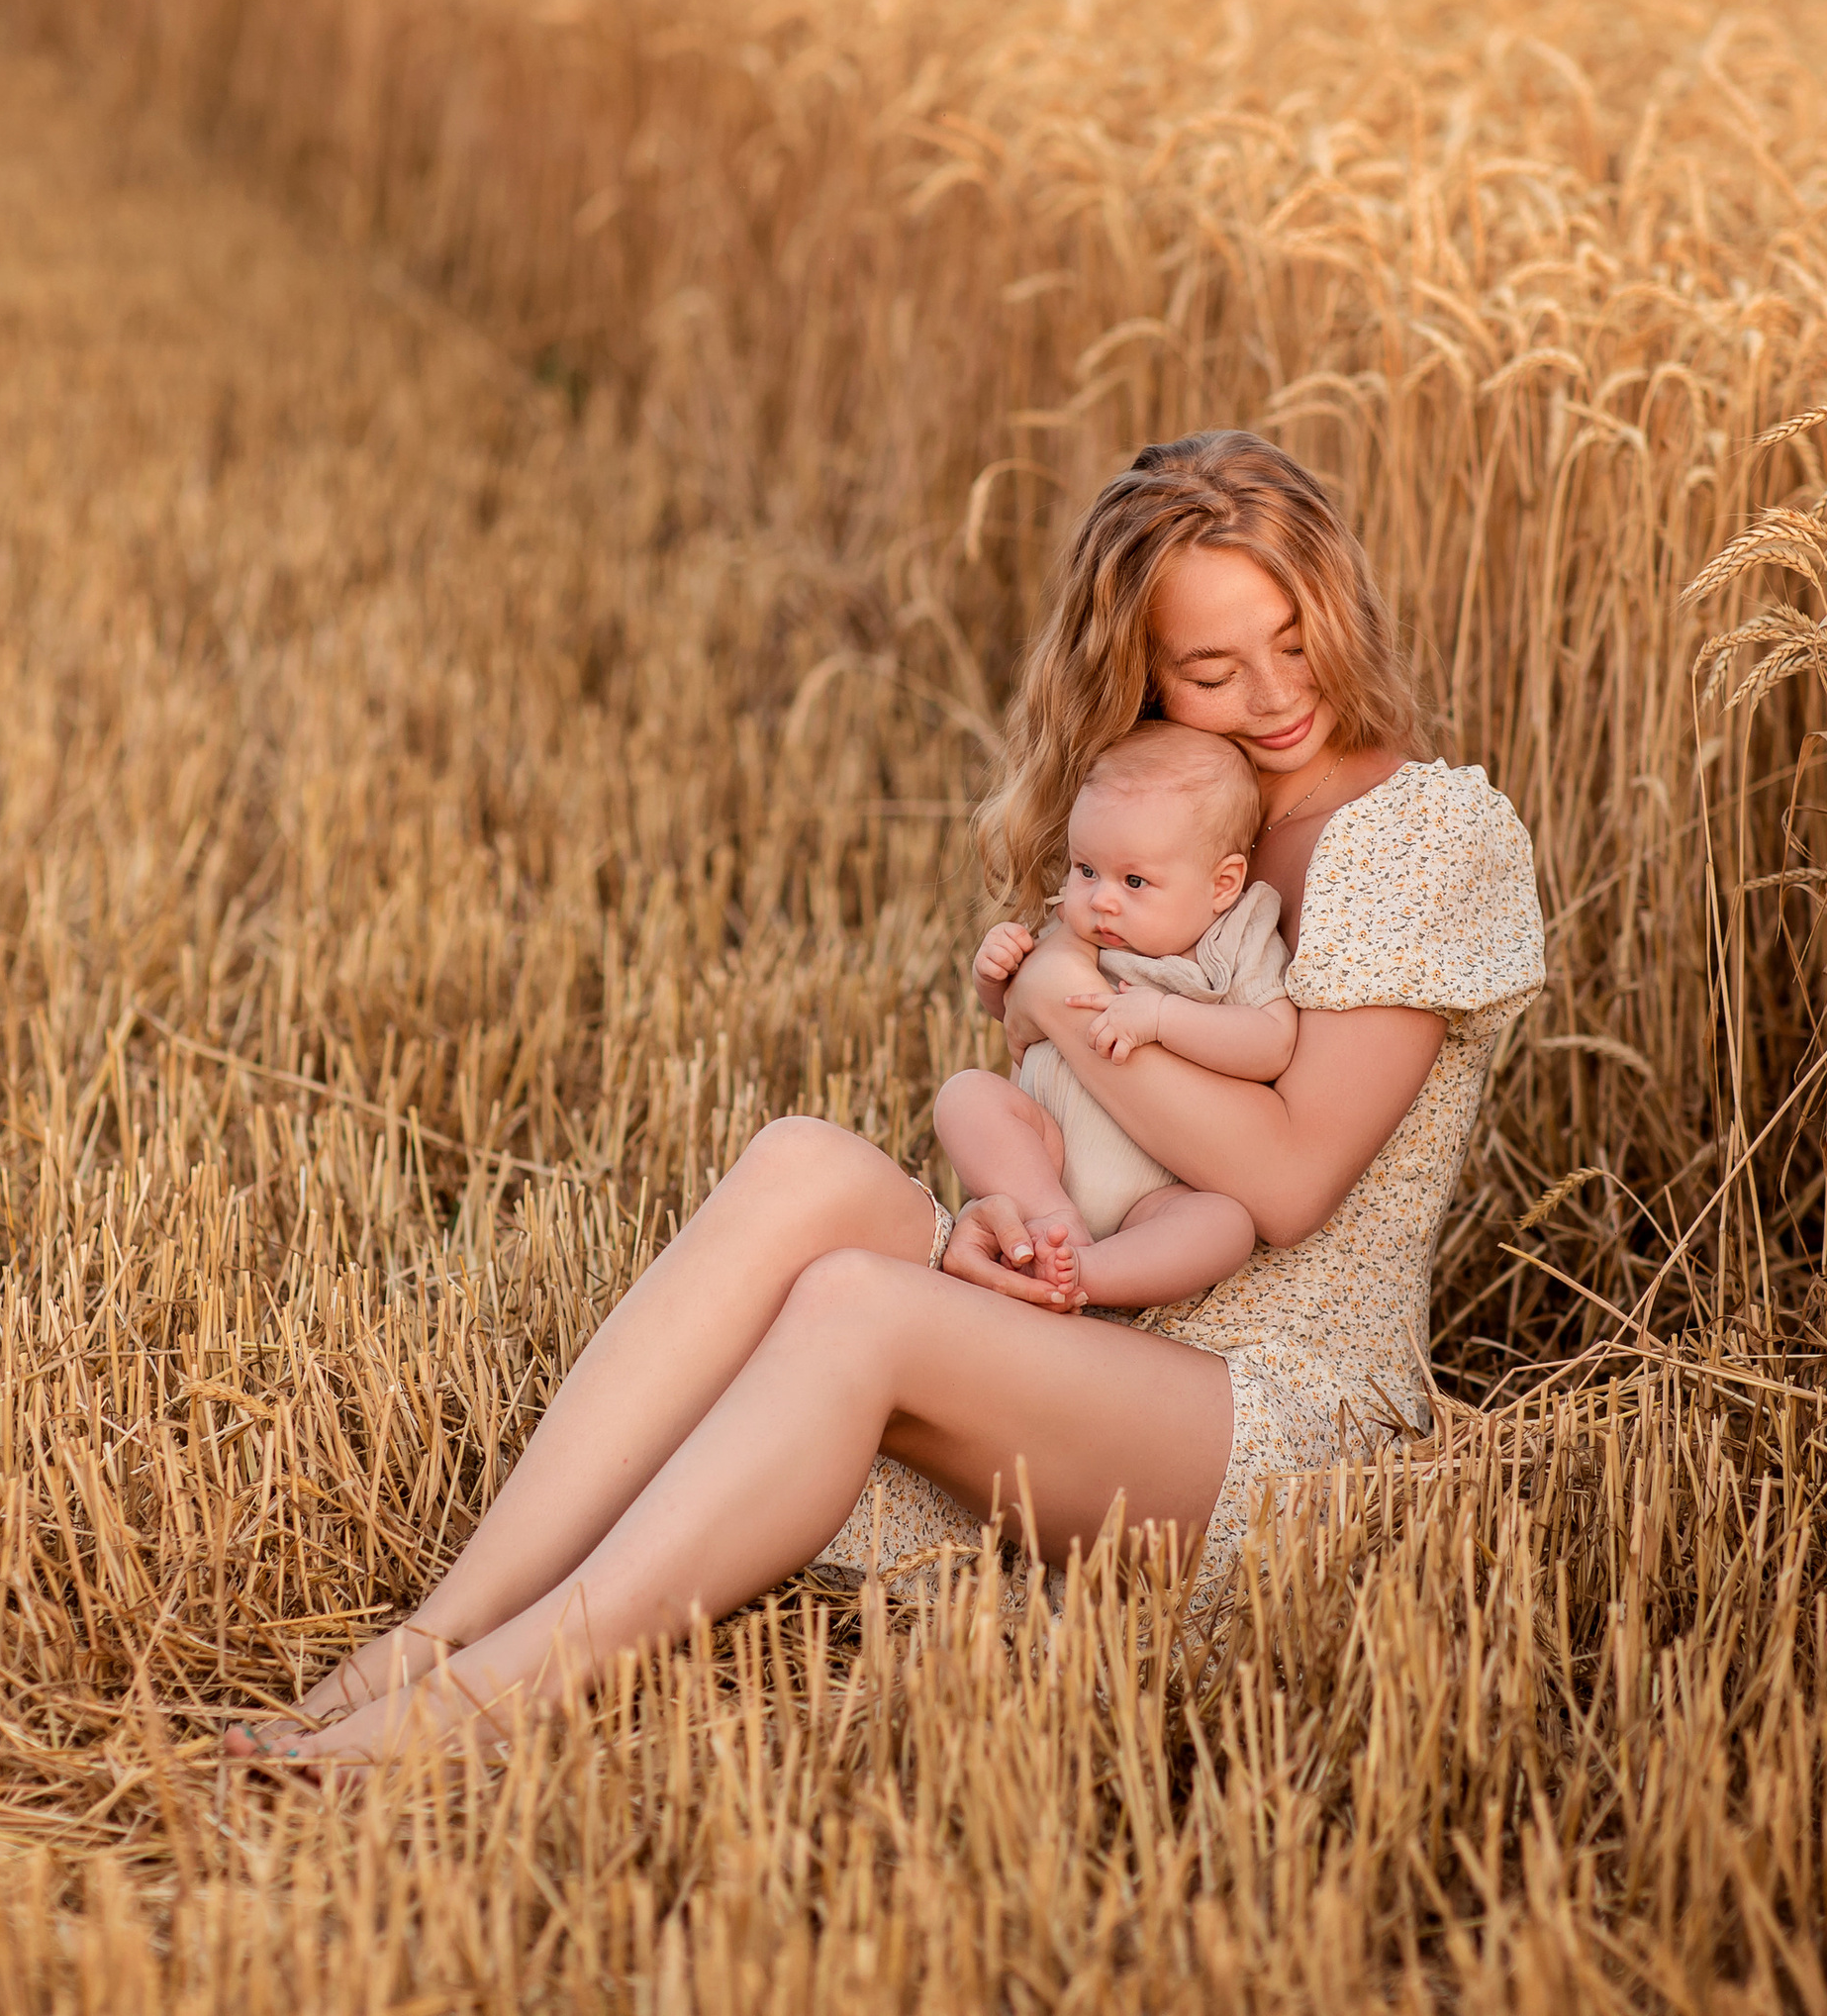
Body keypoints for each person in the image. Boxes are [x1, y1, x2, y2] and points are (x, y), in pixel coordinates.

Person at [226, 430, 1544, 1770]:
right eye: (1212, 670)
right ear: (1142, 675)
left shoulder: (1423, 834)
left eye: (1295, 639)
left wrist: (1061, 1001)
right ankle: (437, 1633)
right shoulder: (1165, 815)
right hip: (1093, 1317)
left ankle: (489, 1701)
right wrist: (1011, 1217)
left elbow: (1288, 1181)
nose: (1272, 694)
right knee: (803, 1164)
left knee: (857, 1304)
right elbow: (1082, 1120)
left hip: (1276, 1421)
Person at [933, 718, 1298, 1316]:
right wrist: (994, 978)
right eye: (1085, 869)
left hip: (1155, 1190)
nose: (1101, 899)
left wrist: (1162, 1017)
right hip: (1048, 1153)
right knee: (966, 1095)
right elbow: (1019, 1026)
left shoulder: (1237, 938)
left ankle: (1086, 1276)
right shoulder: (1077, 926)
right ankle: (1050, 1220)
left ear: (1222, 884)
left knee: (1224, 1225)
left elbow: (1271, 1042)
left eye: (1134, 881)